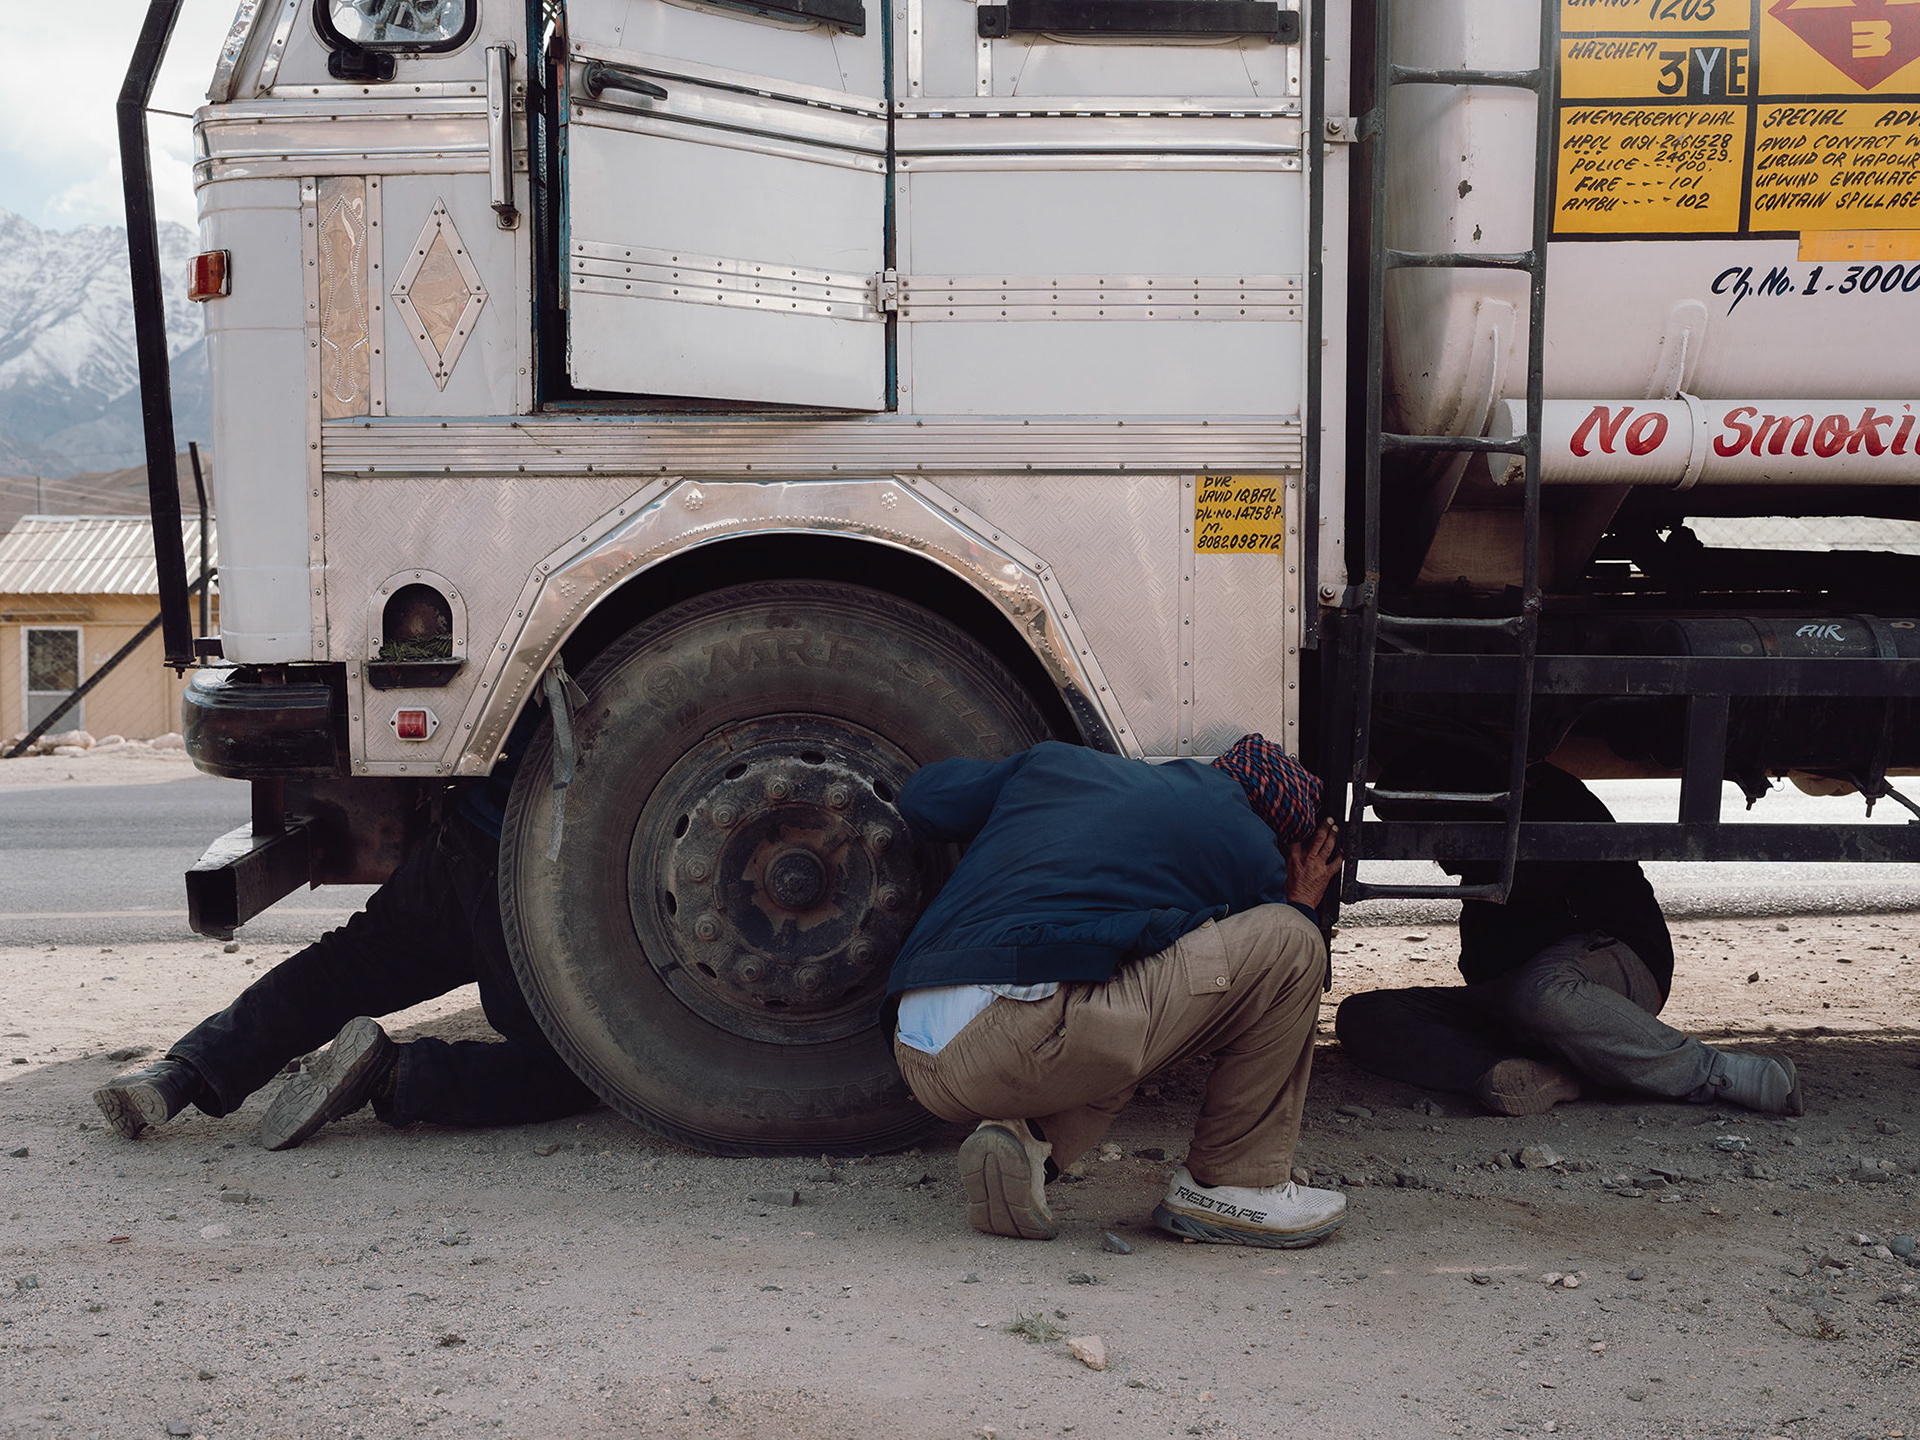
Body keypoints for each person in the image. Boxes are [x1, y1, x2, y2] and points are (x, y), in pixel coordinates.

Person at [887, 734, 1346, 1249]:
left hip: (915, 1045)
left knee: (1125, 1003)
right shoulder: (1251, 848)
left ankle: (1031, 1146)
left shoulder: (1057, 764)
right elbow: (1268, 992)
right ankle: (1233, 1181)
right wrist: (1301, 904)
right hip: (1013, 1042)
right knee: (1293, 942)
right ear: (1278, 830)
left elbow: (922, 799)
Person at [93, 751, 598, 1150]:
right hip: (536, 873)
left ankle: (189, 1070)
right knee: (577, 1065)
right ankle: (392, 1074)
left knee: (351, 961)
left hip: (472, 831)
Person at [1335, 755, 1803, 1118]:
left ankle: (1718, 1074)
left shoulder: (1546, 797)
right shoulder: (1479, 845)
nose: (1434, 855)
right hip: (1517, 998)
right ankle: (1533, 1075)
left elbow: (1539, 920)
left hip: (1607, 965)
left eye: (1425, 828)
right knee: (1364, 1014)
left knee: (1541, 994)